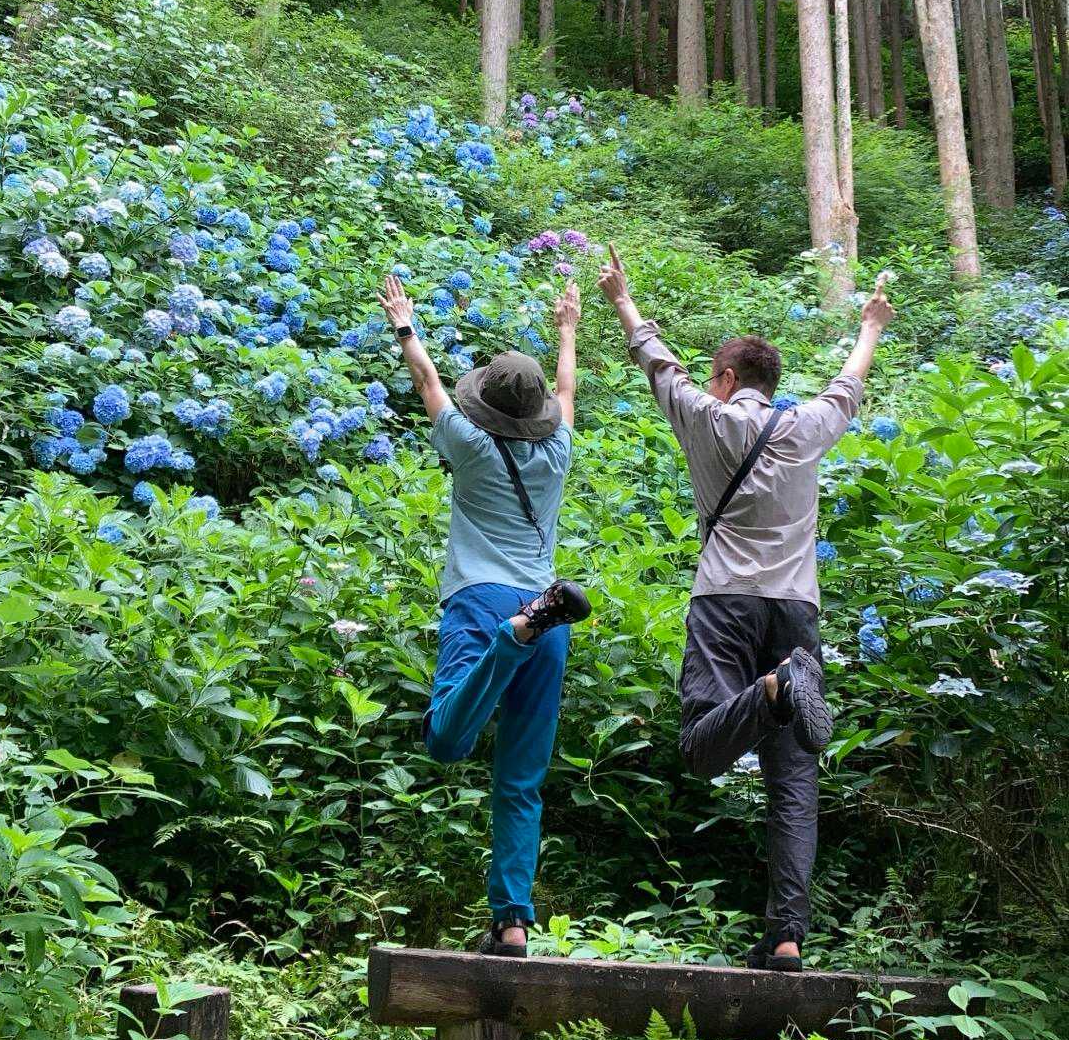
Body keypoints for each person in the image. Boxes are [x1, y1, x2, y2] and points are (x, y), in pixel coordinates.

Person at [598, 246, 895, 973]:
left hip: (725, 602)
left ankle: (770, 692)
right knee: (794, 782)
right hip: (795, 612)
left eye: (713, 376)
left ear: (728, 380)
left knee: (701, 749)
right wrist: (871, 325)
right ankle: (787, 937)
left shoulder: (706, 418)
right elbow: (848, 387)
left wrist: (622, 300)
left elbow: (657, 364)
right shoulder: (806, 427)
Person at [378, 272, 591, 959]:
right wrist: (568, 329)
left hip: (484, 604)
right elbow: (567, 392)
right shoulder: (558, 451)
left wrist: (406, 326)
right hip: (548, 612)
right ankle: (512, 923)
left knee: (445, 740)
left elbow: (427, 382)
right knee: (521, 782)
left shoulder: (468, 445)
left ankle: (512, 638)